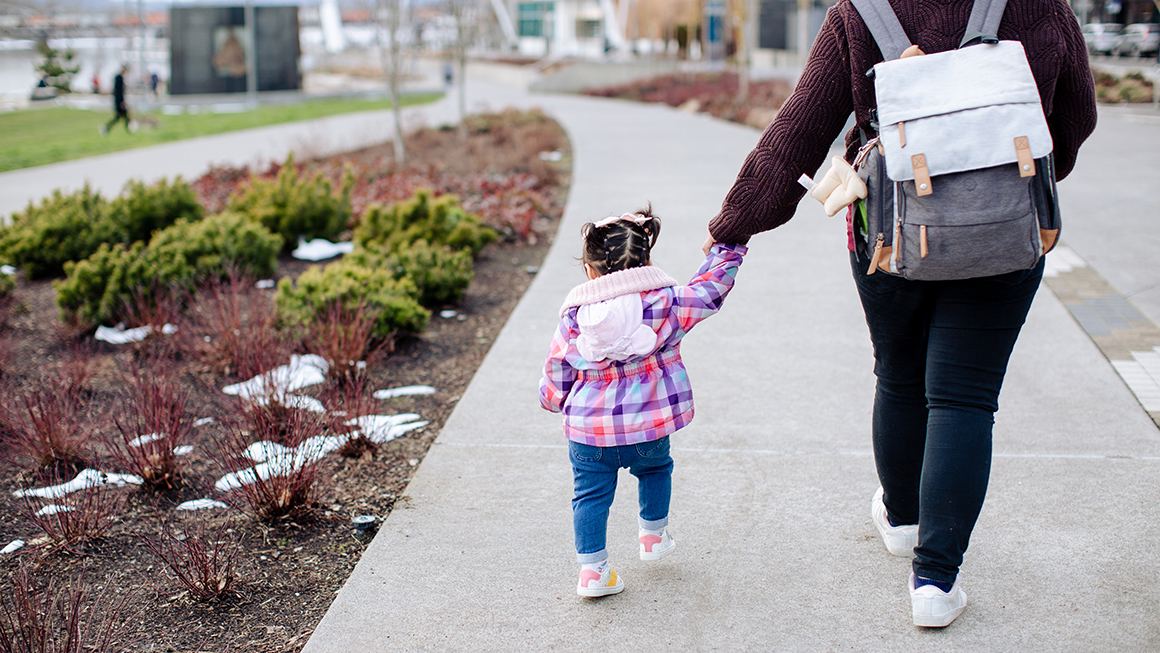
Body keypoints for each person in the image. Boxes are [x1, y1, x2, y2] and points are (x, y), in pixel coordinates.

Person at [704, 0, 1096, 629]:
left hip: (888, 236)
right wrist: (1006, 182)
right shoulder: (1042, 6)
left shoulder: (860, 12)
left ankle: (903, 520)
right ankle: (935, 584)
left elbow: (797, 134)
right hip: (1004, 233)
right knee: (965, 399)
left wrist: (734, 224)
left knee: (900, 376)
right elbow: (1077, 116)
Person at [540, 208, 746, 598]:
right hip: (648, 427)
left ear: (590, 271)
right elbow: (709, 290)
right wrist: (728, 250)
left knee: (589, 495)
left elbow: (557, 364)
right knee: (655, 470)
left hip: (589, 433)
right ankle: (653, 536)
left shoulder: (574, 317)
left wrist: (552, 399)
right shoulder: (668, 303)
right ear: (646, 261)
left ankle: (593, 573)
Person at [101, 65, 132, 135]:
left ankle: (107, 127)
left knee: (123, 116)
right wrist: (121, 102)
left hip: (119, 101)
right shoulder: (119, 78)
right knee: (122, 116)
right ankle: (107, 127)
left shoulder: (120, 78)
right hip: (119, 101)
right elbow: (118, 92)